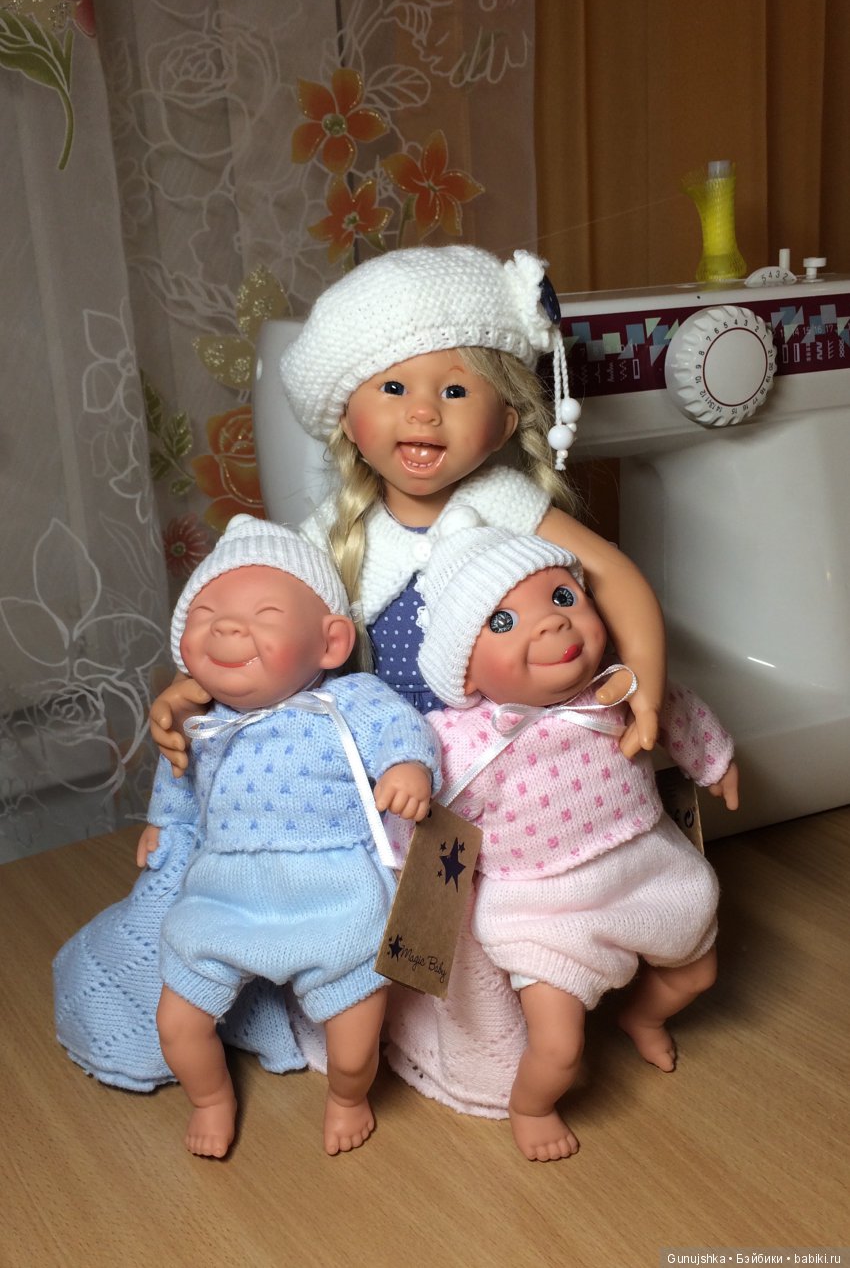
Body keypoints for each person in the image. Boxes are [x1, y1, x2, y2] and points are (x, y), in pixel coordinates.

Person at [146, 245, 671, 1117]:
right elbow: (250, 622)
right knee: (412, 908)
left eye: (456, 389)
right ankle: (386, 1026)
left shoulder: (509, 506)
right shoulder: (334, 531)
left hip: (506, 753)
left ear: (505, 419)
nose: (423, 410)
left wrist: (644, 681)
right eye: (393, 387)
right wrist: (188, 685)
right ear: (346, 419)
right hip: (394, 769)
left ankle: (532, 1022)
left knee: (512, 902)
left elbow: (612, 576)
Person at [413, 517, 739, 1161]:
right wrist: (404, 793)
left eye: (563, 597)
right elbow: (421, 801)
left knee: (697, 973)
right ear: (467, 676)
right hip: (541, 907)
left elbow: (674, 708)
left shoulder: (615, 688)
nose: (552, 624)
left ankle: (643, 1014)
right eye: (504, 622)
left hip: (647, 866)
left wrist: (715, 761)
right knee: (559, 1047)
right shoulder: (461, 738)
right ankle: (531, 1106)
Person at [136, 515, 439, 1158]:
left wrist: (409, 767)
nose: (225, 627)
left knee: (354, 1042)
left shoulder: (348, 698)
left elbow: (401, 728)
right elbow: (178, 778)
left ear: (330, 642)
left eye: (264, 614)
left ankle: (348, 1097)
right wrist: (165, 824)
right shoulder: (202, 721)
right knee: (177, 1023)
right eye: (206, 614)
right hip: (222, 892)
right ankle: (211, 1098)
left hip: (334, 890)